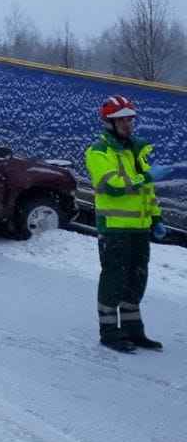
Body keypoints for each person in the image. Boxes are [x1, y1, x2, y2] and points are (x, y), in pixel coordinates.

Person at [85, 94, 171, 353]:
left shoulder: (134, 152)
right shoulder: (99, 151)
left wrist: (156, 218)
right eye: (121, 120)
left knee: (136, 280)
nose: (127, 124)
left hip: (138, 229)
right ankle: (110, 332)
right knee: (114, 279)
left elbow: (147, 193)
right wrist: (145, 176)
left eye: (129, 119)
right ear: (108, 123)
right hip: (114, 229)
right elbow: (112, 187)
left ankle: (134, 332)